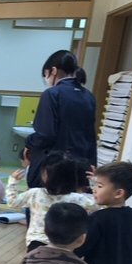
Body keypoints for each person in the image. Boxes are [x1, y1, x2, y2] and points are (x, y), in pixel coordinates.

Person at [24, 50, 97, 189]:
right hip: (80, 167)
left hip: (55, 167)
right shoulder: (88, 96)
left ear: (54, 70)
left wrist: (28, 143)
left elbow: (45, 135)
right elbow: (90, 137)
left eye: (46, 74)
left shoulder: (52, 94)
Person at [6, 151, 97, 252]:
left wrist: (13, 182)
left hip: (36, 243)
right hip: (66, 245)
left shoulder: (35, 193)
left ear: (45, 175)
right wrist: (94, 184)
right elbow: (98, 206)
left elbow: (12, 203)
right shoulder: (78, 198)